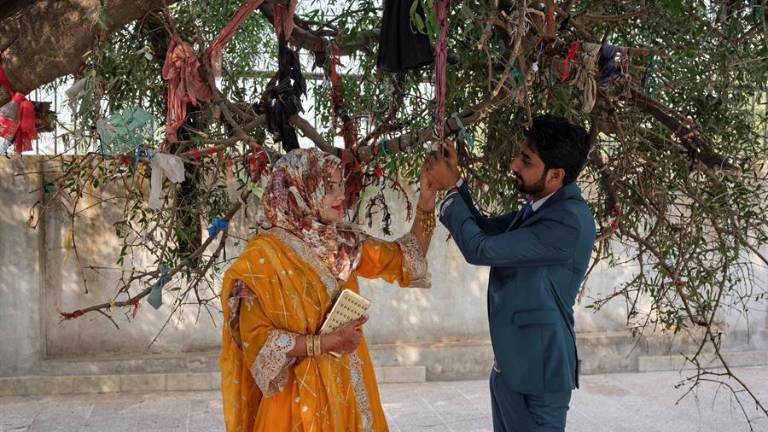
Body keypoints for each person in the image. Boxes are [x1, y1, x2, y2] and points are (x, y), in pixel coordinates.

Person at [220, 147, 437, 432]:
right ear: (299, 189)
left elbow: (408, 259)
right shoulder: (261, 260)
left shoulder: (343, 243)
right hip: (297, 408)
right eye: (329, 187)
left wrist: (427, 198)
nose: (341, 195)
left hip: (349, 392)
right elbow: (259, 343)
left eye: (340, 186)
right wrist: (323, 343)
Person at [424, 114, 596, 432]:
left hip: (538, 380)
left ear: (556, 175)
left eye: (526, 160)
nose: (514, 164)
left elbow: (481, 249)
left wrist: (447, 191)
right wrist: (457, 182)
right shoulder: (543, 206)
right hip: (512, 371)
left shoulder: (568, 221)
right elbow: (487, 230)